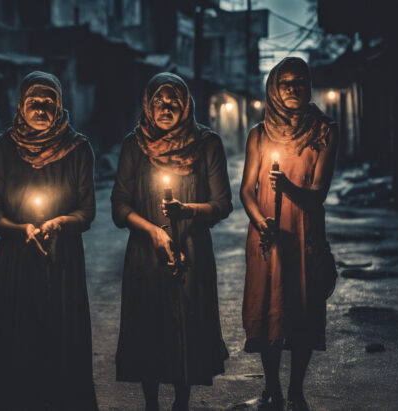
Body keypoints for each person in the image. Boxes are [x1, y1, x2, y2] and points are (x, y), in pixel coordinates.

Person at [111, 72, 232, 411]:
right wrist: (154, 231)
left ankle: (182, 402)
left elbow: (222, 204)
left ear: (186, 103)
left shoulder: (208, 144)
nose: (166, 107)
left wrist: (187, 210)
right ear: (148, 105)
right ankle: (151, 403)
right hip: (145, 251)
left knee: (187, 326)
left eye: (173, 101)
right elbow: (119, 205)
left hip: (191, 250)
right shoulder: (134, 145)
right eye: (158, 101)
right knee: (148, 324)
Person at [0, 71, 97, 410]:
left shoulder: (78, 149)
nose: (42, 108)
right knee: (19, 334)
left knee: (60, 333)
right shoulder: (3, 148)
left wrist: (60, 222)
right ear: (21, 105)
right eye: (34, 102)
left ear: (60, 106)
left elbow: (86, 212)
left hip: (63, 258)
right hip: (17, 257)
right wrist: (19, 228)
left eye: (49, 102)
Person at [240, 57, 338, 411]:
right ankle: (272, 389)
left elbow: (320, 194)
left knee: (303, 309)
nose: (293, 89)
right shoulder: (259, 133)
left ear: (309, 86)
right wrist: (260, 221)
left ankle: (296, 390)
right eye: (286, 83)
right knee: (269, 309)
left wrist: (288, 188)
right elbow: (247, 190)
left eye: (300, 82)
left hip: (305, 233)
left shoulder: (324, 131)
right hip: (268, 234)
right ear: (274, 88)